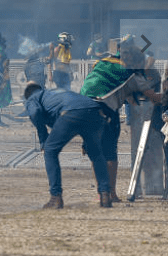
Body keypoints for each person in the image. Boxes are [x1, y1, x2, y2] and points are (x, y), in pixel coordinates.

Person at [79, 42, 162, 202]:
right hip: (104, 108)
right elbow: (153, 96)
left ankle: (100, 193)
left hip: (82, 107)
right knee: (110, 152)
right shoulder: (133, 73)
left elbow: (115, 86)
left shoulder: (103, 61)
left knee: (96, 151)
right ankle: (111, 194)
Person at [24, 82, 112, 209]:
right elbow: (81, 108)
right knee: (96, 153)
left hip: (71, 113)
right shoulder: (56, 92)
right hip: (95, 110)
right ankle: (105, 195)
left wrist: (43, 139)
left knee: (50, 151)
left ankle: (56, 197)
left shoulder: (33, 98)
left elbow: (35, 112)